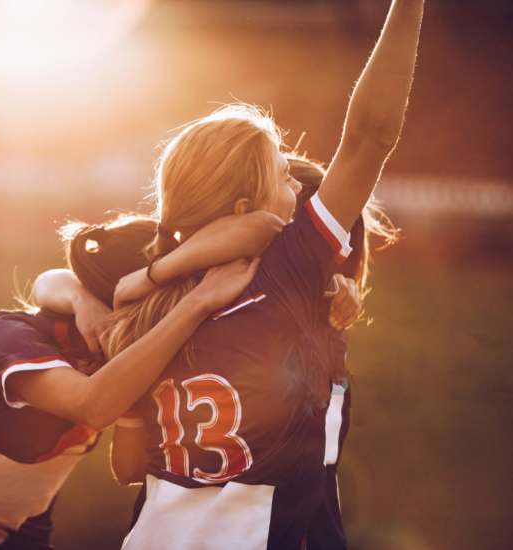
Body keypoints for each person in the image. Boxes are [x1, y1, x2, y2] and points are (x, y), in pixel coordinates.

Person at [103, 1, 425, 548]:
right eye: (283, 177)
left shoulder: (145, 299)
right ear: (246, 206)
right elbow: (370, 136)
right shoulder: (280, 277)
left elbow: (130, 464)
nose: (299, 188)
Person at [0, 215, 261, 550]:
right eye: (156, 316)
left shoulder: (117, 358)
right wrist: (194, 304)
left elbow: (129, 467)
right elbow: (92, 404)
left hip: (28, 538)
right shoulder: (10, 335)